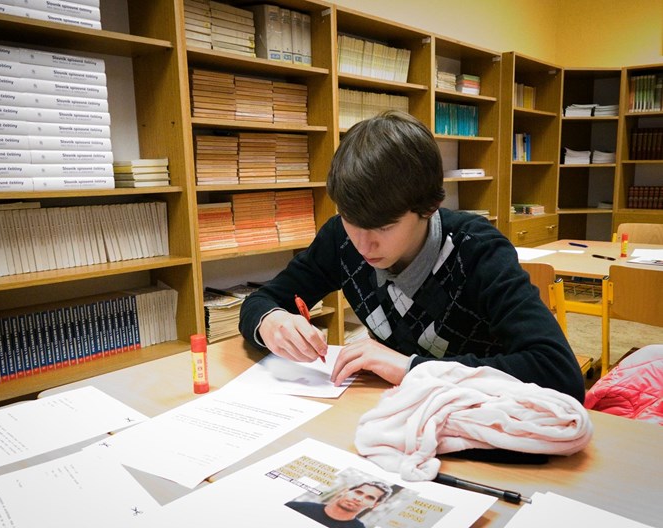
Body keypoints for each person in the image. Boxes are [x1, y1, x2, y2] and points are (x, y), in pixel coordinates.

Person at [239, 110, 585, 402]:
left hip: (477, 420)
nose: (363, 245)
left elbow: (558, 373)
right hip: (391, 412)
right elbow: (262, 300)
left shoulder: (478, 251)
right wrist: (272, 321)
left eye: (384, 227)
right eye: (350, 220)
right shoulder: (339, 239)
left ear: (429, 206)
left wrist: (409, 367)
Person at [285, 481, 392, 528]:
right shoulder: (297, 507)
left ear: (375, 505)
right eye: (358, 492)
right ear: (345, 491)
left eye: (370, 497)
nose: (358, 499)